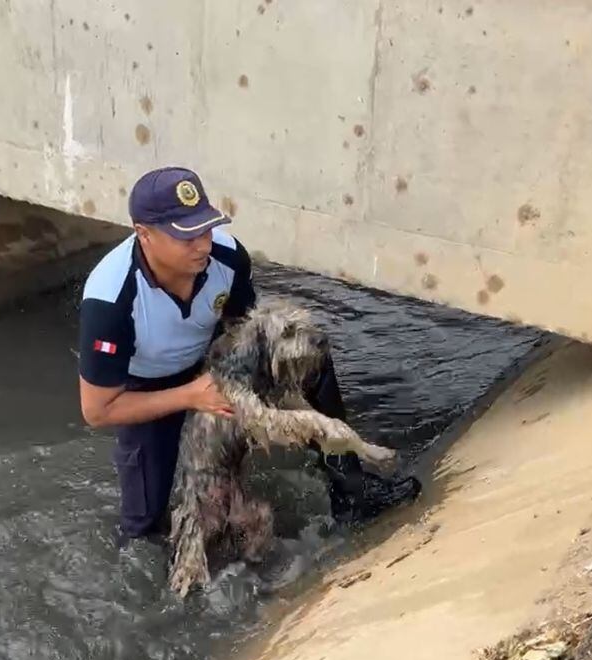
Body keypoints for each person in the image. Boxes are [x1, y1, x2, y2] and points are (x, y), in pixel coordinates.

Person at [77, 166, 420, 548]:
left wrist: (264, 400)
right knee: (143, 524)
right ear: (144, 234)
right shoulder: (110, 299)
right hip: (146, 385)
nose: (203, 245)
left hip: (212, 362)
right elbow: (98, 410)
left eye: (205, 229)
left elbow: (248, 333)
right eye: (185, 237)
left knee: (312, 360)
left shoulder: (227, 257)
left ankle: (351, 492)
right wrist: (190, 396)